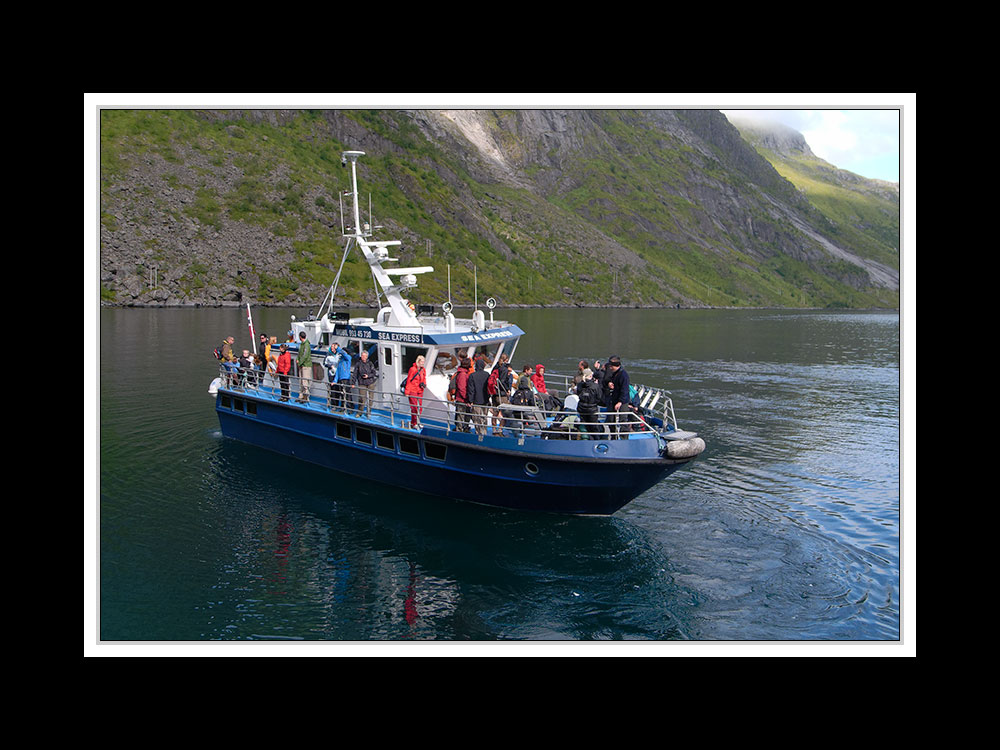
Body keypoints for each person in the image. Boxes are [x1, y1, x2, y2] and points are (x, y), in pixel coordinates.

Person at [604, 356, 631, 439]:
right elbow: (606, 379)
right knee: (611, 419)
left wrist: (620, 401)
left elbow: (625, 390)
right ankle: (613, 436)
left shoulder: (623, 375)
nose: (610, 368)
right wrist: (609, 383)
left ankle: (624, 438)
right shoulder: (614, 373)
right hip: (613, 399)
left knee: (623, 420)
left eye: (611, 366)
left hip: (622, 401)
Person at [575, 367, 603, 438]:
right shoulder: (595, 386)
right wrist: (593, 403)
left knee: (584, 426)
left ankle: (585, 439)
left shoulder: (579, 385)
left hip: (581, 408)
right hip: (592, 409)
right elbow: (599, 397)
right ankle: (596, 441)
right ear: (591, 376)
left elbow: (578, 394)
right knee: (594, 427)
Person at [467, 358, 490, 435]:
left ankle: (479, 433)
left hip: (476, 401)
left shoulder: (472, 376)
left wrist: (470, 401)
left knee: (477, 419)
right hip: (485, 400)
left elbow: (471, 390)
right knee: (484, 418)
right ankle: (484, 432)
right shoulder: (487, 375)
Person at [404, 355, 427, 429]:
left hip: (420, 390)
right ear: (418, 361)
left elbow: (424, 379)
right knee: (414, 408)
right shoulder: (413, 369)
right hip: (413, 390)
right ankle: (414, 423)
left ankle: (417, 421)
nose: (423, 363)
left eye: (423, 362)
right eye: (422, 362)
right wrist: (407, 392)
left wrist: (424, 384)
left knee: (419, 408)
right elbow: (409, 380)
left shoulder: (423, 370)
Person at [355, 349, 377, 417]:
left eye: (364, 356)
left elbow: (374, 372)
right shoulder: (358, 364)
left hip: (370, 382)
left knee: (370, 398)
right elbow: (355, 373)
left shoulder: (370, 363)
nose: (363, 357)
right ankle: (360, 412)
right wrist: (352, 383)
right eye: (362, 356)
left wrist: (368, 376)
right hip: (362, 382)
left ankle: (368, 412)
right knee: (362, 398)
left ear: (367, 356)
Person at [452, 357, 472, 432]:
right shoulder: (463, 374)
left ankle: (463, 428)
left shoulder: (462, 373)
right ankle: (459, 430)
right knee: (461, 415)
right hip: (462, 399)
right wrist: (466, 398)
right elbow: (462, 388)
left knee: (463, 414)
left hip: (462, 398)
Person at [296, 331, 313, 403]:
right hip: (302, 365)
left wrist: (299, 362)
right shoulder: (302, 344)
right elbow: (300, 354)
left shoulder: (306, 345)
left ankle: (306, 397)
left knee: (305, 381)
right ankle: (301, 396)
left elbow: (305, 355)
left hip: (306, 366)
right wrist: (297, 359)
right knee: (301, 381)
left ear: (300, 337)